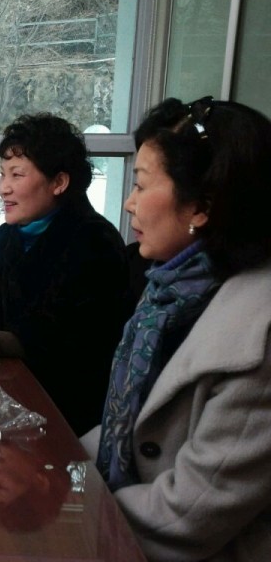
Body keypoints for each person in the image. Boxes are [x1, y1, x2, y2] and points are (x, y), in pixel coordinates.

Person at [82, 97, 271, 561]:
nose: (129, 203)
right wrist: (53, 461)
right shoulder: (173, 290)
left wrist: (70, 503)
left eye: (141, 184)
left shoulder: (259, 333)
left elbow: (188, 515)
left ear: (202, 206)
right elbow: (127, 427)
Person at [0, 113, 130, 436]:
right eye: (2, 174)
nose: (3, 188)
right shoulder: (10, 235)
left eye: (17, 175)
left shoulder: (94, 242)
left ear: (59, 183)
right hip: (11, 390)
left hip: (66, 413)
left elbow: (62, 340)